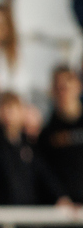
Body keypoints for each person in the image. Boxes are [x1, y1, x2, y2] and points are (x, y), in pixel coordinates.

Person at [0, 91, 70, 228]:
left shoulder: (28, 144)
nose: (8, 114)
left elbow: (44, 174)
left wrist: (60, 196)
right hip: (3, 221)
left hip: (27, 220)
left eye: (13, 109)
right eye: (4, 108)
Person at [39, 66, 83, 206]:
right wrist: (59, 196)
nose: (63, 93)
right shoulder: (47, 132)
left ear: (78, 87)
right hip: (62, 212)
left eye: (66, 87)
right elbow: (44, 171)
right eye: (58, 88)